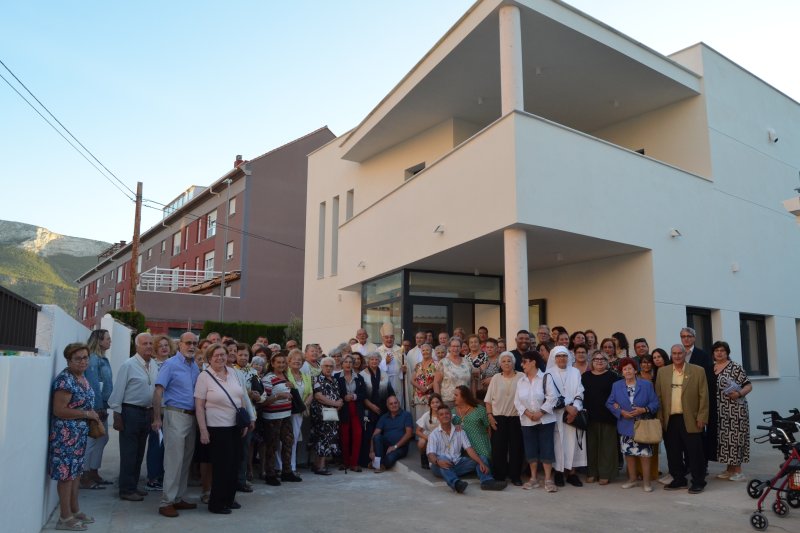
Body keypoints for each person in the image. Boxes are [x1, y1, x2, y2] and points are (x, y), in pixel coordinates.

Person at [50, 343, 99, 531]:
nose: (83, 361)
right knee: (66, 476)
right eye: (78, 358)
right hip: (65, 436)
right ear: (69, 360)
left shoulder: (81, 377)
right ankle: (64, 517)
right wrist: (87, 415)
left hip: (78, 436)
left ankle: (75, 510)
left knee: (76, 473)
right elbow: (59, 410)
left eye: (85, 357)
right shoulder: (65, 380)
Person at [151, 332, 201, 517]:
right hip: (175, 415)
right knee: (173, 461)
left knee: (186, 460)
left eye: (195, 343)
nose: (192, 346)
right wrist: (157, 418)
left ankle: (178, 498)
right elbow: (158, 392)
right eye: (188, 343)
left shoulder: (194, 365)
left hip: (191, 417)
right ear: (179, 344)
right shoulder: (170, 364)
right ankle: (166, 502)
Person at [195, 344, 249, 514]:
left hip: (235, 426)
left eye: (223, 355)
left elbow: (240, 397)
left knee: (234, 464)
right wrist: (203, 430)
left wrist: (244, 422)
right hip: (216, 428)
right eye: (216, 355)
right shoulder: (204, 377)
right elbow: (199, 406)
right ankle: (216, 504)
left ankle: (229, 499)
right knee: (221, 467)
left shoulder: (233, 373)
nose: (220, 358)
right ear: (209, 358)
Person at [108, 333, 159, 502]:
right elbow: (118, 392)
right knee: (129, 453)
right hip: (130, 412)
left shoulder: (153, 365)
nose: (149, 346)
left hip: (147, 412)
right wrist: (117, 415)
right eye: (145, 343)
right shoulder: (128, 365)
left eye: (151, 343)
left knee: (139, 453)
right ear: (137, 346)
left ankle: (134, 485)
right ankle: (126, 489)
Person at [655, 344, 709, 494]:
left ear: (685, 354)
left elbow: (704, 396)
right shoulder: (663, 372)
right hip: (670, 419)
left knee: (694, 452)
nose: (677, 356)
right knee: (673, 452)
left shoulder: (698, 371)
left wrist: (702, 417)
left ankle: (699, 481)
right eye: (674, 353)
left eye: (680, 353)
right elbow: (658, 397)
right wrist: (660, 418)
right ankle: (679, 479)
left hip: (691, 418)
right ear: (671, 355)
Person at [606, 357, 659, 492]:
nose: (627, 371)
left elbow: (655, 403)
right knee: (628, 453)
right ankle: (632, 479)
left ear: (635, 370)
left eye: (630, 368)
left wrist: (644, 409)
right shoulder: (616, 385)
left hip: (643, 425)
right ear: (622, 372)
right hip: (625, 424)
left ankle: (647, 482)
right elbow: (609, 403)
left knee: (645, 454)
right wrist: (621, 412)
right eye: (624, 369)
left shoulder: (646, 385)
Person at [426, 404, 506, 493]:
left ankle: (487, 481)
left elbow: (469, 449)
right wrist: (438, 462)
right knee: (443, 458)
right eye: (441, 414)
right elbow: (430, 454)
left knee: (482, 458)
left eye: (447, 413)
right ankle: (456, 484)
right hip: (439, 466)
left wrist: (481, 462)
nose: (445, 416)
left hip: (458, 464)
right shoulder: (434, 434)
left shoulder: (460, 431)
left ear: (451, 416)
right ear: (438, 417)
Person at [710, 340, 752, 481]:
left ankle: (738, 472)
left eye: (722, 350)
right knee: (725, 440)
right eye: (716, 350)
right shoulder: (711, 368)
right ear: (713, 353)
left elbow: (748, 385)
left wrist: (739, 394)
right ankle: (729, 470)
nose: (719, 353)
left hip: (735, 409)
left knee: (736, 439)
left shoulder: (735, 367)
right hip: (719, 410)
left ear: (727, 352)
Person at [545, 346, 586, 487]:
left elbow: (580, 391)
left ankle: (572, 473)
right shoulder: (549, 373)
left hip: (573, 413)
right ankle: (558, 473)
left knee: (573, 443)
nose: (562, 358)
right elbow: (549, 394)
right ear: (554, 358)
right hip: (557, 415)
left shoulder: (575, 372)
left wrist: (575, 408)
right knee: (558, 444)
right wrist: (567, 407)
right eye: (558, 356)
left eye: (564, 356)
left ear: (568, 357)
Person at [261, 351, 302, 485]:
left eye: (283, 362)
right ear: (272, 363)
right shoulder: (268, 378)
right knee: (272, 446)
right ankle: (270, 474)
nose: (281, 364)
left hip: (286, 415)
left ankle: (287, 472)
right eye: (278, 362)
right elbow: (263, 400)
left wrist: (291, 386)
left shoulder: (285, 376)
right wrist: (279, 396)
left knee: (288, 444)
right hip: (272, 417)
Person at [484, 352, 524, 486]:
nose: (506, 363)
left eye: (509, 361)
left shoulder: (521, 377)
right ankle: (499, 475)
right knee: (498, 448)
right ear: (500, 364)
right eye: (504, 361)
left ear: (514, 363)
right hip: (498, 418)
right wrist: (489, 416)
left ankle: (515, 476)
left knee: (516, 448)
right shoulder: (495, 378)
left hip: (515, 417)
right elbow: (488, 400)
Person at [581, 351, 619, 485]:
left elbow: (618, 397)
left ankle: (605, 474)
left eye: (603, 359)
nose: (599, 361)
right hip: (590, 417)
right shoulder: (585, 377)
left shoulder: (613, 377)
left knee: (607, 447)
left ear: (607, 362)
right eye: (596, 359)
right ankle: (592, 473)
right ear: (592, 361)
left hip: (608, 417)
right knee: (591, 447)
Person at [82, 329, 113, 490]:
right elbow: (93, 385)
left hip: (102, 407)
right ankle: (85, 475)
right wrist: (98, 408)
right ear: (99, 341)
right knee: (92, 441)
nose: (110, 341)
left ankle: (93, 471)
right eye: (107, 338)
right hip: (96, 407)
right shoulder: (93, 360)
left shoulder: (101, 358)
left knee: (102, 439)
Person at [145, 334, 174, 492]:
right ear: (156, 349)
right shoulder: (152, 365)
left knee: (168, 447)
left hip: (172, 411)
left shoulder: (174, 364)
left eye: (166, 345)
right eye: (160, 345)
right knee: (156, 445)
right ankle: (152, 478)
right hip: (157, 411)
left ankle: (163, 476)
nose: (164, 347)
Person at [359, 352, 394, 467]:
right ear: (368, 361)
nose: (374, 361)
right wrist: (371, 406)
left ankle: (380, 461)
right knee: (368, 434)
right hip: (367, 409)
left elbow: (390, 392)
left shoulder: (384, 374)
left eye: (376, 359)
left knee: (380, 435)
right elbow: (361, 394)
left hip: (382, 410)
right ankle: (366, 461)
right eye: (372, 359)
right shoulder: (362, 375)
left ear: (379, 361)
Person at [310, 357, 342, 475]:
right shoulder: (317, 379)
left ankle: (317, 464)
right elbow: (318, 396)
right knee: (323, 438)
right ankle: (321, 467)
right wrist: (335, 403)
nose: (328, 368)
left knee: (328, 439)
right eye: (326, 366)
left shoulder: (334, 379)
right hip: (321, 413)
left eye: (331, 366)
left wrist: (340, 403)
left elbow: (337, 394)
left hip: (332, 414)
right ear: (321, 367)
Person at [337, 355, 367, 471]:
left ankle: (354, 463)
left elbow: (363, 394)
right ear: (342, 363)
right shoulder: (336, 377)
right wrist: (343, 397)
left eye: (350, 362)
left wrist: (354, 396)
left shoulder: (359, 377)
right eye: (346, 362)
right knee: (344, 436)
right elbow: (334, 392)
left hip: (356, 409)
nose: (348, 364)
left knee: (357, 435)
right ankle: (345, 462)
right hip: (343, 409)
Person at [370, 395, 413, 472]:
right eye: (391, 404)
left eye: (395, 403)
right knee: (377, 437)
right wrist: (372, 451)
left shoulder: (406, 415)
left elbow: (408, 434)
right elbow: (375, 434)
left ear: (399, 403)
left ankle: (377, 464)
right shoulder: (384, 417)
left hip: (400, 447)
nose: (394, 405)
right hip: (386, 446)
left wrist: (395, 447)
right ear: (387, 406)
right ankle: (378, 465)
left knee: (390, 459)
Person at [286, 349, 312, 475]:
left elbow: (311, 393)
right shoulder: (286, 374)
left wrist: (303, 406)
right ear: (289, 361)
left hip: (299, 412)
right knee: (284, 440)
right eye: (294, 359)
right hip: (287, 411)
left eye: (299, 360)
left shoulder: (306, 376)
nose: (297, 361)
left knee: (294, 439)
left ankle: (292, 467)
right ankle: (281, 467)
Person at [433, 336, 473, 407]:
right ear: (449, 348)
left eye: (458, 346)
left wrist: (473, 398)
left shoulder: (467, 362)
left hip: (466, 400)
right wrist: (438, 400)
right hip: (448, 401)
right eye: (453, 346)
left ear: (461, 348)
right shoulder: (443, 362)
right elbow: (436, 382)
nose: (456, 348)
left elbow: (472, 381)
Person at [377, 323, 406, 409]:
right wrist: (384, 362)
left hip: (397, 380)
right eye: (387, 337)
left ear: (394, 338)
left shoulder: (400, 350)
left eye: (391, 337)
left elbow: (405, 365)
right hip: (383, 381)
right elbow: (374, 367)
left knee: (397, 400)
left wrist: (403, 370)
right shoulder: (378, 351)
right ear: (383, 338)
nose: (389, 339)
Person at [415, 393, 443, 469]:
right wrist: (428, 438)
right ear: (430, 405)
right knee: (421, 442)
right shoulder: (426, 415)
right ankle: (424, 458)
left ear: (441, 403)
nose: (435, 405)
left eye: (437, 402)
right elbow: (417, 431)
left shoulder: (444, 413)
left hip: (441, 435)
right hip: (429, 435)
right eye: (433, 403)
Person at [411, 344, 437, 419]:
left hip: (431, 396)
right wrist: (420, 387)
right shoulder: (418, 365)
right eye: (423, 350)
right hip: (419, 397)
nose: (425, 352)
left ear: (431, 351)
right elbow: (412, 380)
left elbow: (438, 379)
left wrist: (427, 387)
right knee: (420, 419)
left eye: (427, 350)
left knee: (430, 418)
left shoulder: (437, 364)